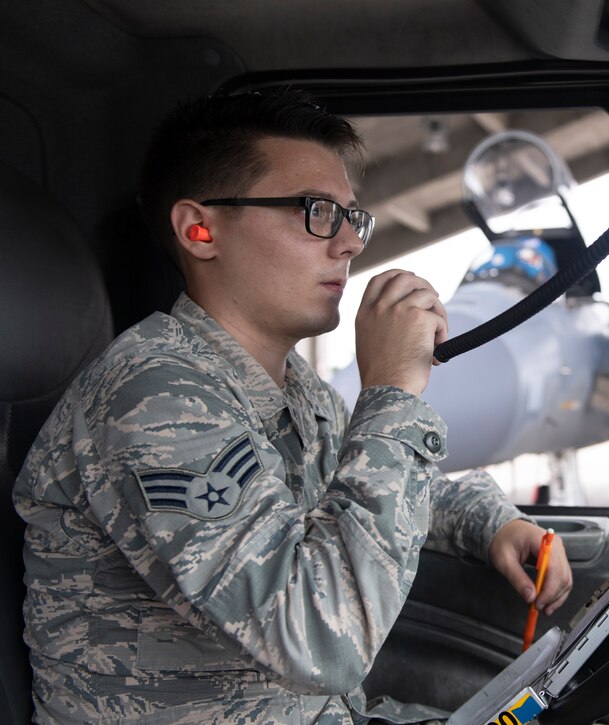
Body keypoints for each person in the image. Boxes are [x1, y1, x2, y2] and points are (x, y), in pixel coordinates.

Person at [13, 92, 572, 724]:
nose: (348, 245)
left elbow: (367, 486)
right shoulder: (152, 395)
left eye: (351, 218)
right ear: (201, 228)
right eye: (316, 212)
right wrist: (390, 393)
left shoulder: (293, 388)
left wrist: (489, 522)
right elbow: (321, 641)